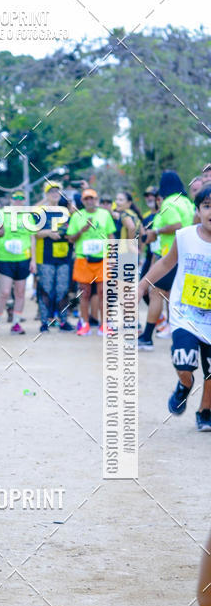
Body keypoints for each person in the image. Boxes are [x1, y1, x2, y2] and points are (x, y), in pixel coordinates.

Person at [138, 184, 211, 430]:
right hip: (186, 313)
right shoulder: (186, 236)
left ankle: (205, 411)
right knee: (184, 362)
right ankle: (185, 384)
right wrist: (140, 286)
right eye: (207, 206)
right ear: (198, 210)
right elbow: (166, 264)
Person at [138, 171, 187, 350]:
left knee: (155, 292)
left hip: (171, 256)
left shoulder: (169, 202)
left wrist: (156, 232)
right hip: (186, 256)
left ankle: (147, 337)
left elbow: (177, 226)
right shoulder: (187, 202)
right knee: (176, 297)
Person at [66, 187, 115, 335]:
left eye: (92, 198)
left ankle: (104, 325)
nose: (89, 201)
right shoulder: (76, 216)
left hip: (102, 259)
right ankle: (85, 324)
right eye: (86, 199)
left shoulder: (105, 214)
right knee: (84, 293)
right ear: (82, 201)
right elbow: (70, 238)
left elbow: (111, 236)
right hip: (83, 259)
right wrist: (83, 230)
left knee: (103, 293)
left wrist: (112, 255)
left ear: (96, 200)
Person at [0, 191, 36, 335]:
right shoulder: (3, 214)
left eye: (21, 198)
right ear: (10, 200)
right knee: (4, 292)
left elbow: (33, 238)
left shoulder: (28, 217)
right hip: (4, 258)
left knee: (20, 292)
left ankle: (16, 323)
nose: (18, 200)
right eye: (15, 198)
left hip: (23, 258)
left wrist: (33, 260)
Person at [34, 183, 74, 332]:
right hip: (45, 256)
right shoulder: (40, 212)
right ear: (46, 194)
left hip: (64, 255)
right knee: (46, 289)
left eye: (57, 191)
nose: (54, 193)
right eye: (51, 191)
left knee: (63, 289)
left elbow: (73, 229)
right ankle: (44, 322)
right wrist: (49, 232)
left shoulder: (67, 212)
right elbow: (35, 233)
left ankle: (63, 321)